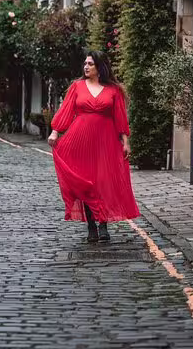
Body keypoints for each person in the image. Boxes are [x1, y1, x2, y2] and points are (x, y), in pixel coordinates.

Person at [48, 51, 140, 242]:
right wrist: (55, 132)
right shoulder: (77, 86)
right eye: (85, 64)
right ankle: (91, 225)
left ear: (100, 67)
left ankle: (103, 224)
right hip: (80, 141)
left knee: (103, 182)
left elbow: (120, 118)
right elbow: (65, 111)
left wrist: (125, 142)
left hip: (105, 142)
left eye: (90, 64)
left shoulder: (114, 90)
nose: (86, 67)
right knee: (86, 182)